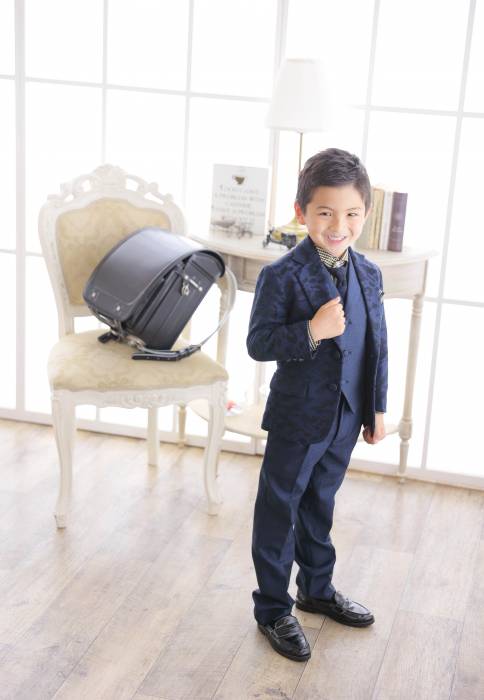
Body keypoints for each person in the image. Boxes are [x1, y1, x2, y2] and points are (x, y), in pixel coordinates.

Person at [246, 147, 388, 662]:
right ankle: (272, 608)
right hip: (298, 416)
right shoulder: (281, 275)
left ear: (365, 214)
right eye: (325, 212)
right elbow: (259, 343)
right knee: (279, 506)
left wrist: (375, 408)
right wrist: (311, 330)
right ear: (301, 212)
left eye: (351, 214)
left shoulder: (369, 274)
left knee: (320, 503)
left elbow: (376, 345)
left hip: (346, 416)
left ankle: (317, 590)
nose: (338, 226)